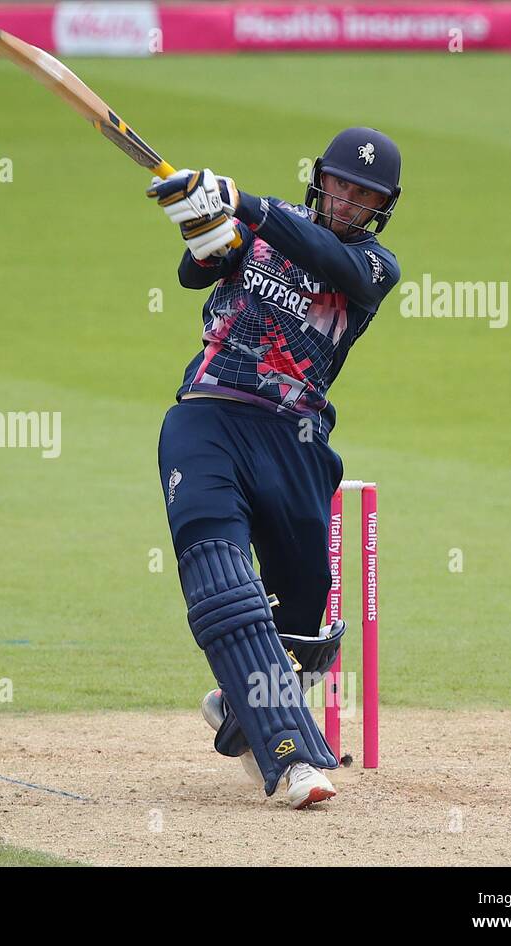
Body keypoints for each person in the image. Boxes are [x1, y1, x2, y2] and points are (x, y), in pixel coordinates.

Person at [148, 127, 401, 809]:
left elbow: (324, 257)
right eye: (342, 185)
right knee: (221, 579)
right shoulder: (256, 232)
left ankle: (237, 707)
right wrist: (203, 225)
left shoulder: (374, 268)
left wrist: (243, 203)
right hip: (209, 416)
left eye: (365, 194)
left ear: (383, 205)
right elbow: (194, 272)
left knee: (305, 631)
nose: (349, 201)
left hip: (296, 439)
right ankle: (291, 760)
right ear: (320, 180)